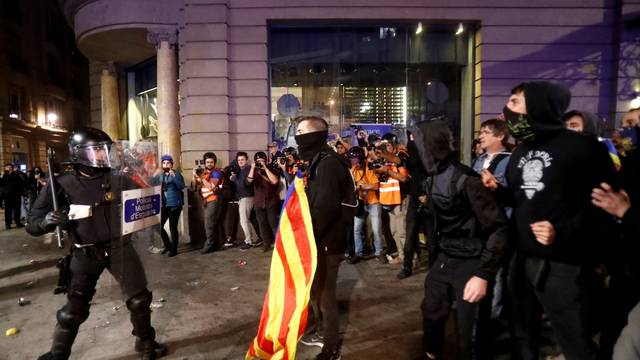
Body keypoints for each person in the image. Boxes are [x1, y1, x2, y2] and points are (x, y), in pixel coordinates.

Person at [482, 81, 618, 360]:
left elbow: (608, 209)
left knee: (573, 338)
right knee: (521, 333)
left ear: (539, 106)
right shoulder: (520, 152)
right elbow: (523, 200)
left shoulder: (584, 148)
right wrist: (499, 191)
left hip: (564, 265)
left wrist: (563, 231)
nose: (507, 110)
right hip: (521, 260)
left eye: (515, 102)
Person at [26, 127, 167, 360]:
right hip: (85, 252)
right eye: (97, 150)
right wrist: (47, 221)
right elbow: (32, 223)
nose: (103, 155)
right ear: (78, 153)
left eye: (105, 150)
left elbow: (147, 200)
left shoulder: (118, 178)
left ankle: (146, 344)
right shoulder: (61, 183)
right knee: (73, 311)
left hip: (120, 247)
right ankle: (57, 354)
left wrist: (150, 184)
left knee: (140, 300)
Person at [412, 120, 508, 360]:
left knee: (470, 331)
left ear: (431, 145)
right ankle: (432, 353)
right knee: (432, 311)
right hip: (446, 257)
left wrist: (483, 274)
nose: (414, 148)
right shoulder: (432, 179)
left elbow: (498, 227)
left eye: (418, 143)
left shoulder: (468, 180)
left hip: (472, 261)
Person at [296, 116, 357, 360]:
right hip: (319, 240)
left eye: (300, 132)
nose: (297, 136)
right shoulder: (319, 161)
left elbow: (325, 208)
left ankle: (331, 349)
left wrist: (307, 239)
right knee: (315, 290)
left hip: (326, 242)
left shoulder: (328, 164)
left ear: (312, 136)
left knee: (325, 295)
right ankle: (322, 331)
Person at [376, 133, 410, 265]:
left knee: (402, 231)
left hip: (401, 198)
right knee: (394, 230)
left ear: (394, 144)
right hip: (389, 199)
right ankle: (401, 256)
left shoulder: (402, 156)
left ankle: (410, 258)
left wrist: (387, 171)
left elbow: (403, 178)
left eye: (388, 145)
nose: (386, 148)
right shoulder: (385, 158)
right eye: (384, 146)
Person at [347, 146, 384, 264]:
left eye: (355, 160)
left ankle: (379, 253)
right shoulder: (353, 170)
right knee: (356, 229)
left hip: (373, 202)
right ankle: (359, 253)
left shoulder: (369, 167)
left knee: (376, 229)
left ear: (361, 159)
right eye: (352, 160)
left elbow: (376, 186)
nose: (354, 162)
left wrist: (363, 186)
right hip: (360, 203)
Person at [149, 155, 184, 257]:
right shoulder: (161, 175)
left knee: (173, 227)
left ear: (172, 164)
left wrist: (174, 176)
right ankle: (167, 245)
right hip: (164, 204)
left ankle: (174, 249)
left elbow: (181, 186)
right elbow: (150, 183)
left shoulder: (176, 174)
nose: (166, 165)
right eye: (164, 163)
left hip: (174, 204)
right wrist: (154, 174)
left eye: (168, 163)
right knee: (157, 226)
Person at [192, 152, 225, 254]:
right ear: (204, 163)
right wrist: (194, 176)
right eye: (207, 162)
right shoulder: (204, 173)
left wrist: (201, 177)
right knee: (213, 223)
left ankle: (209, 245)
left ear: (214, 163)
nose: (209, 164)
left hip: (214, 199)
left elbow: (211, 186)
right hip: (207, 201)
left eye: (211, 162)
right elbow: (194, 186)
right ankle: (217, 244)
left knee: (209, 224)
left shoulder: (216, 173)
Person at [246, 151, 279, 251]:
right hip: (259, 202)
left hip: (271, 201)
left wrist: (265, 169)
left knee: (273, 223)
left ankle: (278, 243)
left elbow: (274, 181)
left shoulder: (271, 169)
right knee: (262, 224)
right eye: (258, 161)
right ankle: (266, 244)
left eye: (262, 161)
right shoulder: (253, 171)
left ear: (266, 161)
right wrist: (252, 168)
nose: (260, 163)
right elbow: (248, 182)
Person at [234, 152, 260, 251]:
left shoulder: (247, 169)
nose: (240, 162)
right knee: (246, 220)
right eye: (239, 160)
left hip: (246, 197)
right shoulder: (242, 170)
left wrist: (235, 179)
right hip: (244, 197)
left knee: (244, 221)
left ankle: (248, 241)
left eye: (242, 160)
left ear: (246, 160)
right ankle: (255, 238)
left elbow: (245, 184)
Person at [0, 163, 25, 229]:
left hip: (16, 195)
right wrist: (2, 176)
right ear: (5, 168)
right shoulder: (4, 175)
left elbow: (21, 184)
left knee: (17, 209)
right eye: (7, 167)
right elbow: (2, 183)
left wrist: (22, 193)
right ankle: (8, 224)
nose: (8, 168)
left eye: (10, 167)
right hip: (7, 195)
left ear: (12, 168)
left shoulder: (16, 175)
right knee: (8, 210)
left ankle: (18, 222)